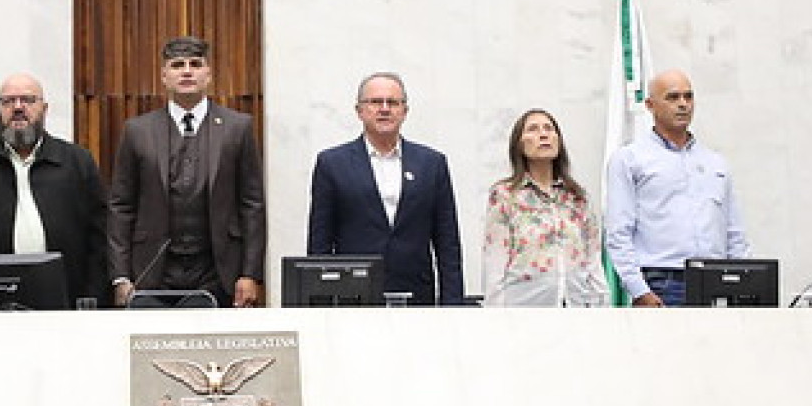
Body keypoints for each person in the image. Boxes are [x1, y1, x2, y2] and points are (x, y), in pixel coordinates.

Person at [107, 36, 266, 308]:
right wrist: (120, 276)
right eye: (178, 65)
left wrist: (250, 274)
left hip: (218, 271)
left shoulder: (237, 128)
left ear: (208, 74)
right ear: (164, 76)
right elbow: (121, 207)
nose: (187, 71)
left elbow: (252, 205)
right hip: (152, 271)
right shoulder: (137, 131)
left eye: (195, 64)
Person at [0, 72, 109, 310]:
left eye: (27, 100)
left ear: (44, 109)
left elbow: (99, 237)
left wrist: (92, 301)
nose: (18, 108)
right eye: (8, 101)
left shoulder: (77, 162)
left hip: (65, 305)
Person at [305, 72, 463, 305]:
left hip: (416, 296)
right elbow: (320, 244)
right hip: (353, 297)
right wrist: (321, 303)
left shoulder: (432, 163)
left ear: (405, 111)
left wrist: (453, 304)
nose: (385, 109)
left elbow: (447, 242)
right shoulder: (332, 164)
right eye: (376, 102)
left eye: (393, 103)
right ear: (359, 110)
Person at [603, 68, 749, 307]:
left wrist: (744, 282)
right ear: (650, 105)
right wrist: (639, 290)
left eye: (688, 96)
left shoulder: (715, 162)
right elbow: (619, 232)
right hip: (662, 282)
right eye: (672, 97)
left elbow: (734, 231)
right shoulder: (630, 159)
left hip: (718, 281)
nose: (683, 104)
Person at [482, 108, 605, 307]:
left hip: (575, 308)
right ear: (519, 144)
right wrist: (495, 314)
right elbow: (495, 264)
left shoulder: (577, 198)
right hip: (523, 309)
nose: (543, 134)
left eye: (549, 128)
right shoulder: (505, 195)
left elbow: (593, 261)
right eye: (533, 129)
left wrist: (602, 307)